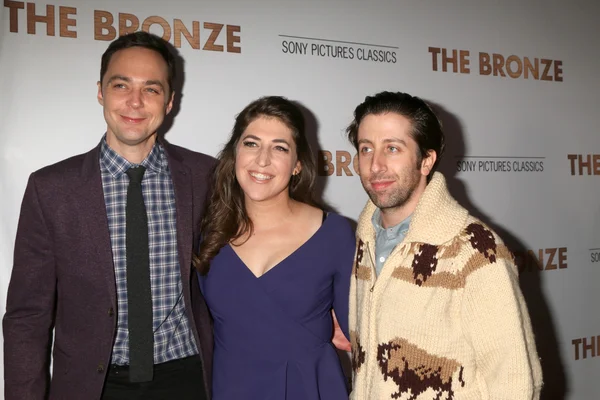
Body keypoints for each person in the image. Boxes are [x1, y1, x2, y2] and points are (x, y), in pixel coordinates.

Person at [3, 32, 214, 400]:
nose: (135, 102)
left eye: (151, 89)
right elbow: (28, 316)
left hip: (188, 378)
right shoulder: (51, 188)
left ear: (169, 101)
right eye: (121, 85)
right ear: (100, 91)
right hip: (92, 385)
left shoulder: (205, 175)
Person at [346, 91, 543, 399]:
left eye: (393, 148)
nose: (376, 165)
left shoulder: (475, 251)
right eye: (366, 148)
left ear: (426, 161)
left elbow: (514, 382)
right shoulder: (364, 241)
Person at [195, 96, 355, 399]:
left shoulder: (333, 233)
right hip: (231, 387)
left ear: (297, 165)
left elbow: (362, 331)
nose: (262, 160)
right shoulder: (207, 232)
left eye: (279, 148)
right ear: (235, 154)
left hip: (310, 387)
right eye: (251, 144)